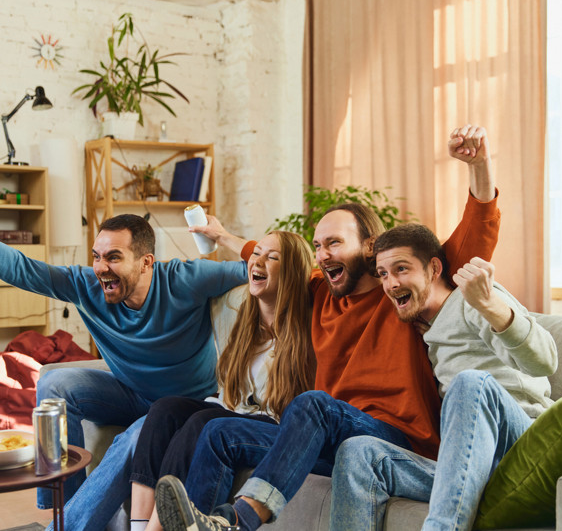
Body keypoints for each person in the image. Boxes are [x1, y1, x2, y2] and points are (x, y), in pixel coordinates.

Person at [153, 125, 502, 531]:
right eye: (318, 246)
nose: (322, 254)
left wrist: (480, 167)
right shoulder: (321, 293)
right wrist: (221, 235)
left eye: (333, 243)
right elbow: (264, 258)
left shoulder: (403, 288)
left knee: (313, 402)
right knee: (217, 433)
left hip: (398, 440)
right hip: (331, 436)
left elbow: (475, 235)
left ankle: (242, 519)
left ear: (369, 246)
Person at [0, 189, 248, 519]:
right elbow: (22, 269)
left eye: (114, 257)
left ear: (146, 261)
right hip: (131, 392)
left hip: (184, 406)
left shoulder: (186, 279)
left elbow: (259, 268)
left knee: (133, 439)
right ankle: (67, 506)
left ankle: (69, 527)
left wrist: (221, 236)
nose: (101, 268)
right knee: (54, 384)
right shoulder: (88, 286)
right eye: (97, 256)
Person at [330, 223, 557, 531]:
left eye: (401, 269)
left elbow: (545, 361)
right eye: (383, 274)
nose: (391, 283)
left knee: (470, 382)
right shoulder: (420, 326)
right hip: (471, 466)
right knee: (358, 452)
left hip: (523, 445)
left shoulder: (472, 299)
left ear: (433, 268)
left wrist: (489, 305)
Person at [127, 230, 315, 531]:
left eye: (273, 257)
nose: (258, 260)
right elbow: (229, 397)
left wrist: (224, 236)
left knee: (203, 422)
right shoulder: (245, 321)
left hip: (276, 423)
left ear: (292, 272)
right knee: (165, 410)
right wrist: (225, 237)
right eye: (257, 253)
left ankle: (157, 529)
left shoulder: (309, 327)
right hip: (236, 411)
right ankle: (138, 526)